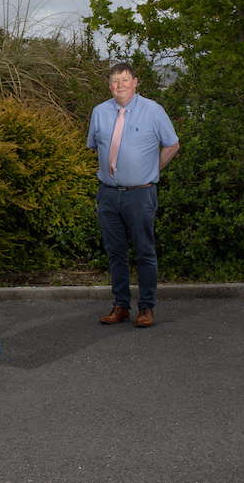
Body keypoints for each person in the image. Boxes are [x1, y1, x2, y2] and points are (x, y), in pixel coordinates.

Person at [87, 62, 179, 328]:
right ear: (109, 85)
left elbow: (173, 144)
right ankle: (121, 306)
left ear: (135, 82)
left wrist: (152, 168)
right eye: (115, 81)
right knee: (115, 252)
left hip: (140, 194)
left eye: (125, 80)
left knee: (144, 252)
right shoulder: (100, 112)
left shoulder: (153, 111)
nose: (120, 86)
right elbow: (96, 146)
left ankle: (146, 308)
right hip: (108, 194)